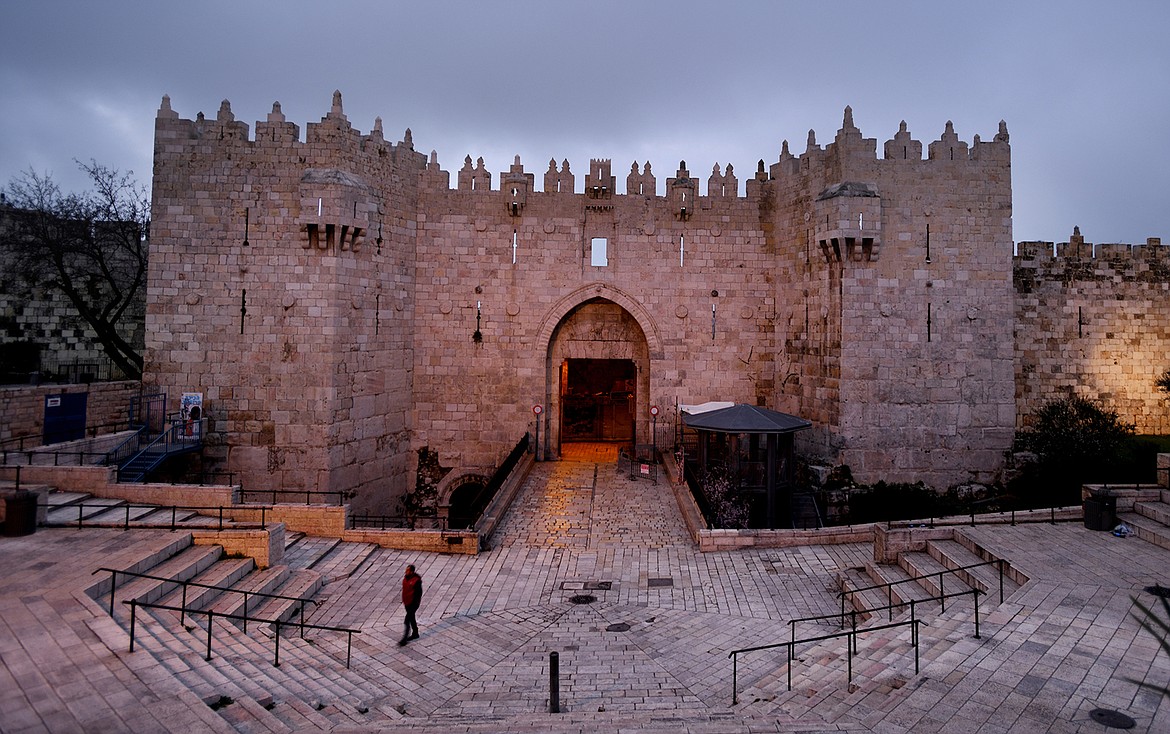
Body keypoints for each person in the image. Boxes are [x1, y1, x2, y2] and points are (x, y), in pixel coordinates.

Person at [399, 564, 423, 646]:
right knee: (412, 618)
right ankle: (415, 633)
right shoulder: (406, 578)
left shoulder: (416, 581)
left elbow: (418, 594)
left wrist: (414, 603)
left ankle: (404, 639)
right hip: (407, 602)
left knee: (407, 620)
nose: (406, 572)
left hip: (413, 604)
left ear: (412, 572)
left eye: (408, 570)